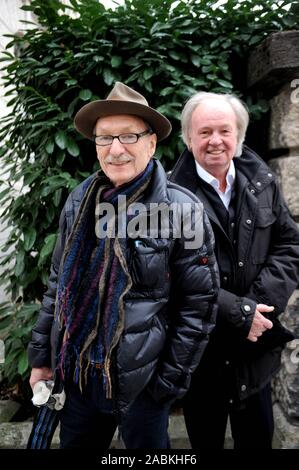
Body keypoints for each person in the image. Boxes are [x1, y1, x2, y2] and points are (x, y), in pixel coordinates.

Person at [27, 82, 219, 450]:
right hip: (78, 378)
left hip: (143, 387)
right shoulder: (79, 201)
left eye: (129, 136)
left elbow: (199, 305)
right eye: (104, 138)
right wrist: (42, 359)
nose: (115, 149)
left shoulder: (184, 210)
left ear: (151, 142)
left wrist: (167, 385)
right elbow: (57, 285)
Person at [169, 91, 299, 449]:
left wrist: (255, 309)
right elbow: (169, 273)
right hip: (202, 356)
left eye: (225, 131)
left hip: (254, 356)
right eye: (205, 132)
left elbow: (290, 247)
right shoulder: (168, 196)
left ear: (238, 136)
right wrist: (240, 312)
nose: (215, 141)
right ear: (188, 137)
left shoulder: (263, 182)